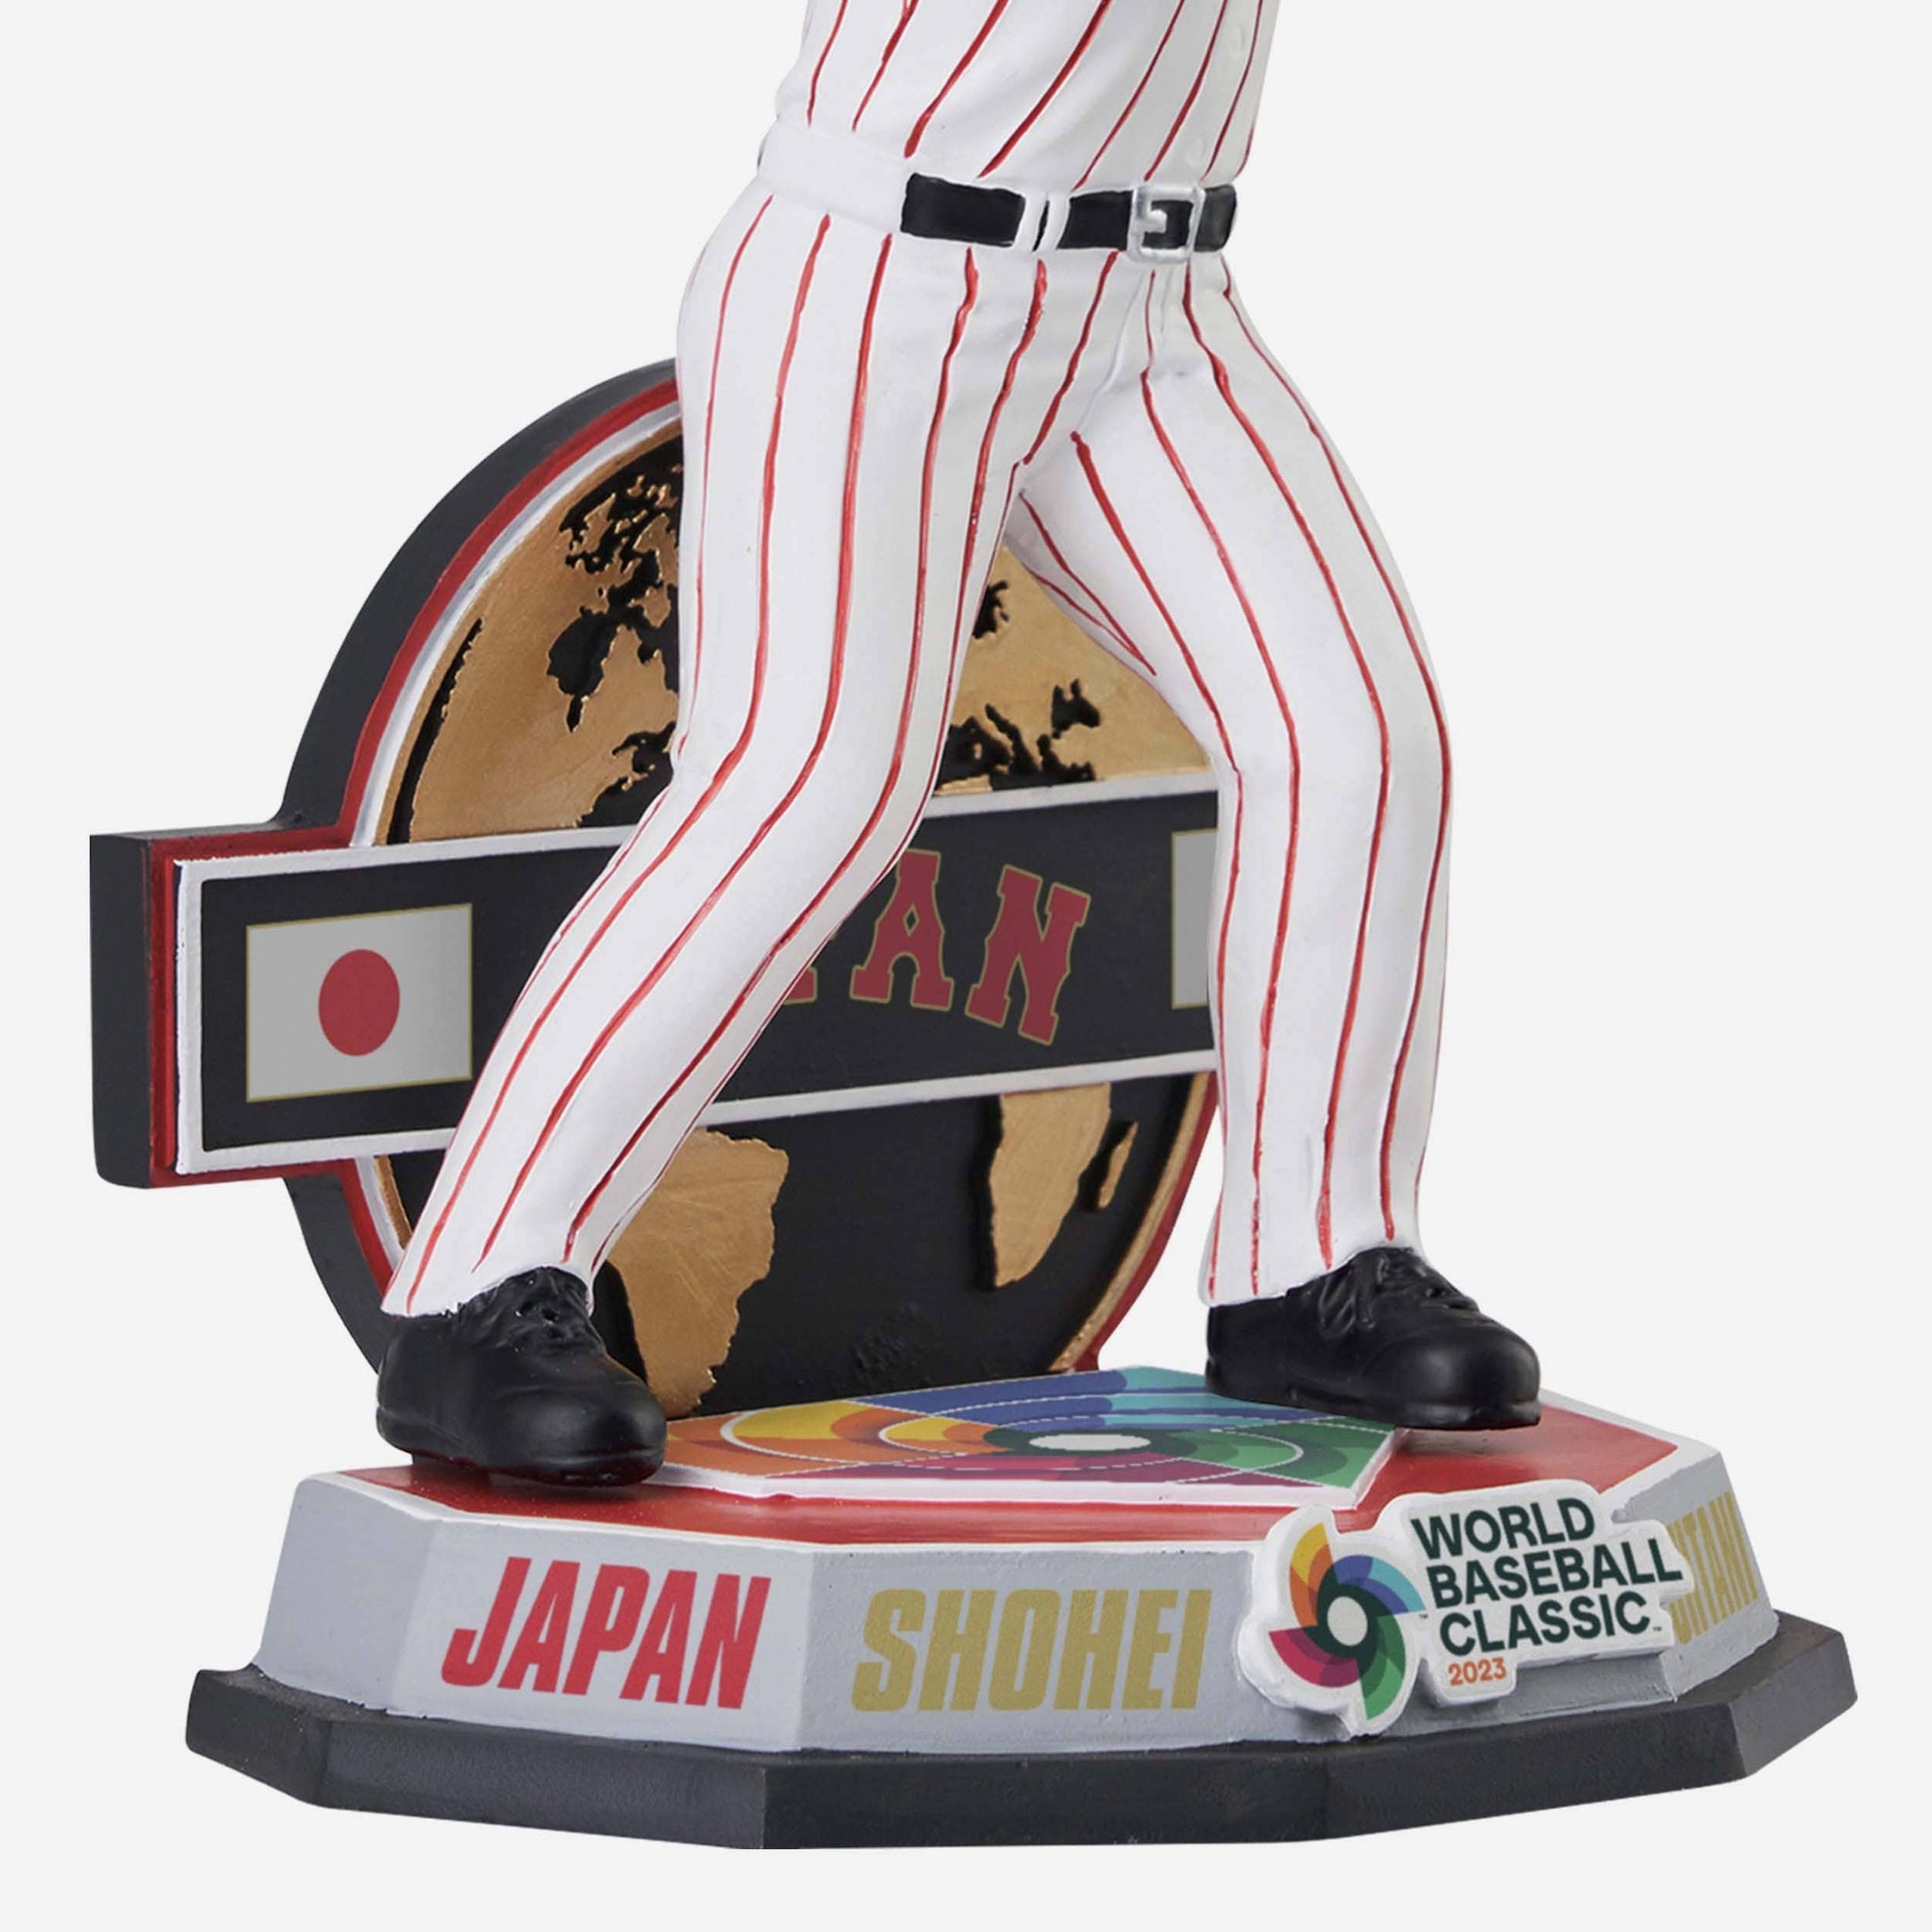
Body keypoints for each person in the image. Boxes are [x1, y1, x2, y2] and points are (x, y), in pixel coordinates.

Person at [374, 1, 1541, 1485]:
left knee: (1351, 746)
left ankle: (1313, 1262)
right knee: (807, 786)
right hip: (887, 276)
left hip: (1157, 309)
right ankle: (477, 1285)